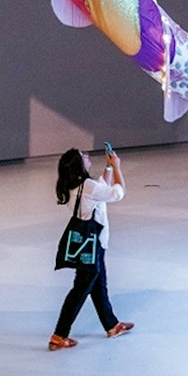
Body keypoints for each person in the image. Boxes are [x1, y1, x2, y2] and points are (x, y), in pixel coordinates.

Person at [49, 146, 134, 350]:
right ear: (79, 165)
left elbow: (99, 186)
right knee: (80, 290)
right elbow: (117, 193)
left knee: (99, 286)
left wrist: (108, 167)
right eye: (83, 156)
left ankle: (112, 326)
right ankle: (59, 334)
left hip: (89, 244)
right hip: (92, 246)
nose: (87, 157)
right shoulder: (87, 186)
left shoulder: (76, 185)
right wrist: (117, 167)